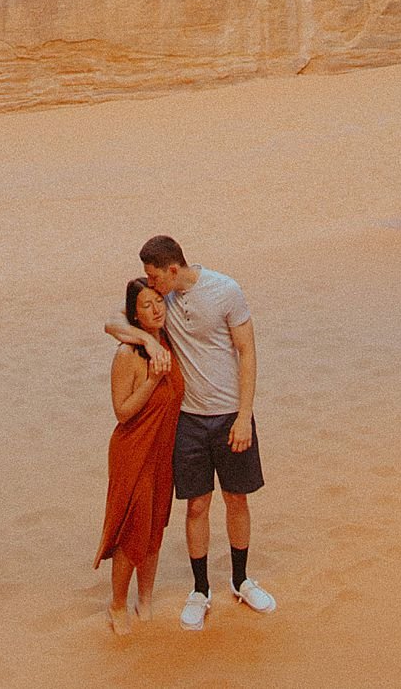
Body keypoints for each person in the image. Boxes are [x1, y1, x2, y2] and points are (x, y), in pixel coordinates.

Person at [105, 233, 277, 632]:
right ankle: (200, 590)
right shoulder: (158, 298)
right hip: (190, 421)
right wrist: (147, 338)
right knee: (196, 506)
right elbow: (114, 320)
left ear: (173, 269)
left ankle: (240, 580)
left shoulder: (226, 290)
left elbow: (247, 351)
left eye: (154, 276)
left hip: (231, 413)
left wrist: (244, 415)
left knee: (236, 499)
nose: (151, 284)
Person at [94, 278, 185, 635]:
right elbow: (122, 412)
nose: (156, 310)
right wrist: (150, 380)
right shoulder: (127, 355)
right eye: (146, 306)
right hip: (134, 449)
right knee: (134, 526)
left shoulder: (169, 340)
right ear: (134, 313)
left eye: (159, 301)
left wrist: (152, 337)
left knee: (154, 526)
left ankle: (144, 599)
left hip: (163, 449)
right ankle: (117, 603)